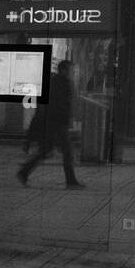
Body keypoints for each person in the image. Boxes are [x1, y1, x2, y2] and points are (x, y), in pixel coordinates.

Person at [18, 60, 83, 188]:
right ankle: (70, 181)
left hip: (53, 122)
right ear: (64, 70)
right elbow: (62, 105)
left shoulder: (55, 82)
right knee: (67, 151)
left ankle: (24, 172)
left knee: (46, 150)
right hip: (57, 123)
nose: (72, 72)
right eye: (71, 70)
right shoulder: (63, 83)